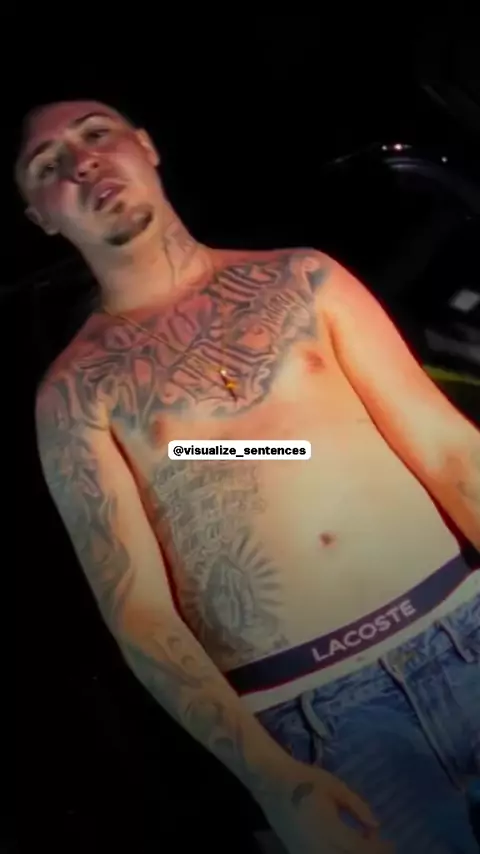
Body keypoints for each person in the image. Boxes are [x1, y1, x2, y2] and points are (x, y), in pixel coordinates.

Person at [16, 99, 480, 854]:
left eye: (96, 134)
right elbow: (139, 612)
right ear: (40, 215)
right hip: (326, 719)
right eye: (48, 165)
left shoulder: (304, 278)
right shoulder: (75, 395)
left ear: (146, 145)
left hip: (465, 623)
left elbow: (451, 452)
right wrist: (271, 779)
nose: (83, 161)